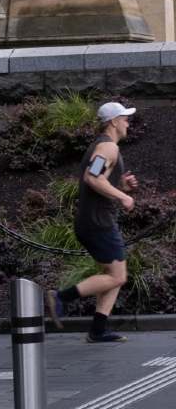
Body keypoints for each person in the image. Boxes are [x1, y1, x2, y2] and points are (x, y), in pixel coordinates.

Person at [45, 102, 138, 343]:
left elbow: (99, 181)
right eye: (125, 118)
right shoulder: (107, 147)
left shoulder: (105, 147)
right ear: (113, 122)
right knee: (118, 276)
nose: (128, 122)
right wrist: (124, 196)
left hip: (95, 221)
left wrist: (120, 186)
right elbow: (92, 177)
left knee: (113, 273)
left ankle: (98, 330)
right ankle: (60, 297)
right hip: (98, 223)